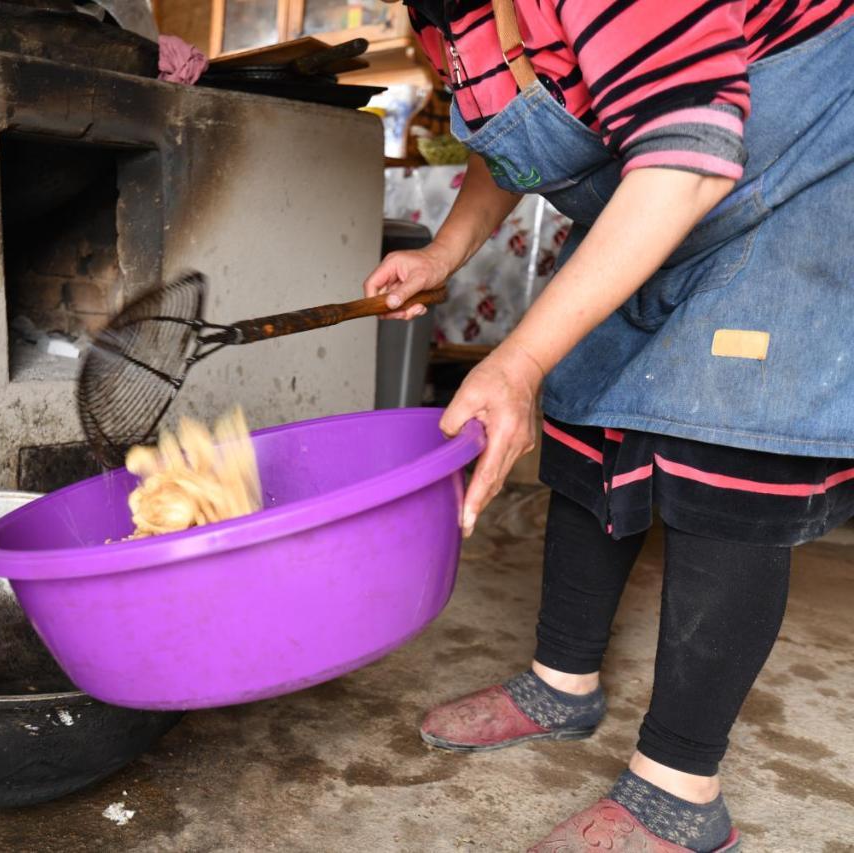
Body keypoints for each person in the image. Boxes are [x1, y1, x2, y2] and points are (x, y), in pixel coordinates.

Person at [362, 0, 854, 849]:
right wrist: (448, 253)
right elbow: (520, 126)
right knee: (587, 414)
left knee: (727, 444)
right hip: (667, 181)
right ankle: (563, 680)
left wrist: (517, 359)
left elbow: (687, 159)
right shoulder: (442, 12)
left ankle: (680, 787)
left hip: (798, 176)